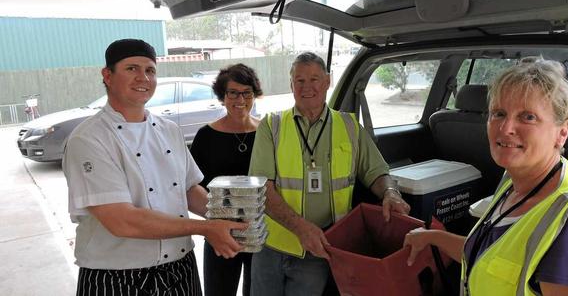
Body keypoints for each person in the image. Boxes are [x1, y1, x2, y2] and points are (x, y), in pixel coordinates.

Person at [403, 58, 568, 295]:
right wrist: (432, 237)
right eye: (499, 113)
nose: (505, 128)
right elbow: (490, 255)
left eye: (528, 117)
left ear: (562, 132)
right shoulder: (514, 182)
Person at [63, 38, 247, 295]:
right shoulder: (89, 139)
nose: (144, 78)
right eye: (132, 69)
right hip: (116, 276)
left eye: (150, 70)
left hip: (180, 268)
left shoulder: (168, 129)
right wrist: (205, 228)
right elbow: (121, 220)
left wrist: (233, 219)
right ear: (107, 75)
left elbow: (188, 189)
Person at [248, 52, 411, 296]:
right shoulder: (272, 125)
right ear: (291, 85)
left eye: (314, 79)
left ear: (327, 82)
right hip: (272, 245)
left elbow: (377, 172)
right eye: (299, 80)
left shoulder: (349, 126)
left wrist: (390, 192)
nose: (307, 87)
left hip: (319, 248)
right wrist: (301, 228)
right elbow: (261, 187)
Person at [190, 64, 263, 296]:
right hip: (220, 234)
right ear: (223, 96)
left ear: (254, 95)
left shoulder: (267, 133)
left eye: (246, 92)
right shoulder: (205, 136)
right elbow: (194, 187)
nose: (240, 99)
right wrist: (217, 221)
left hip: (259, 232)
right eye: (233, 93)